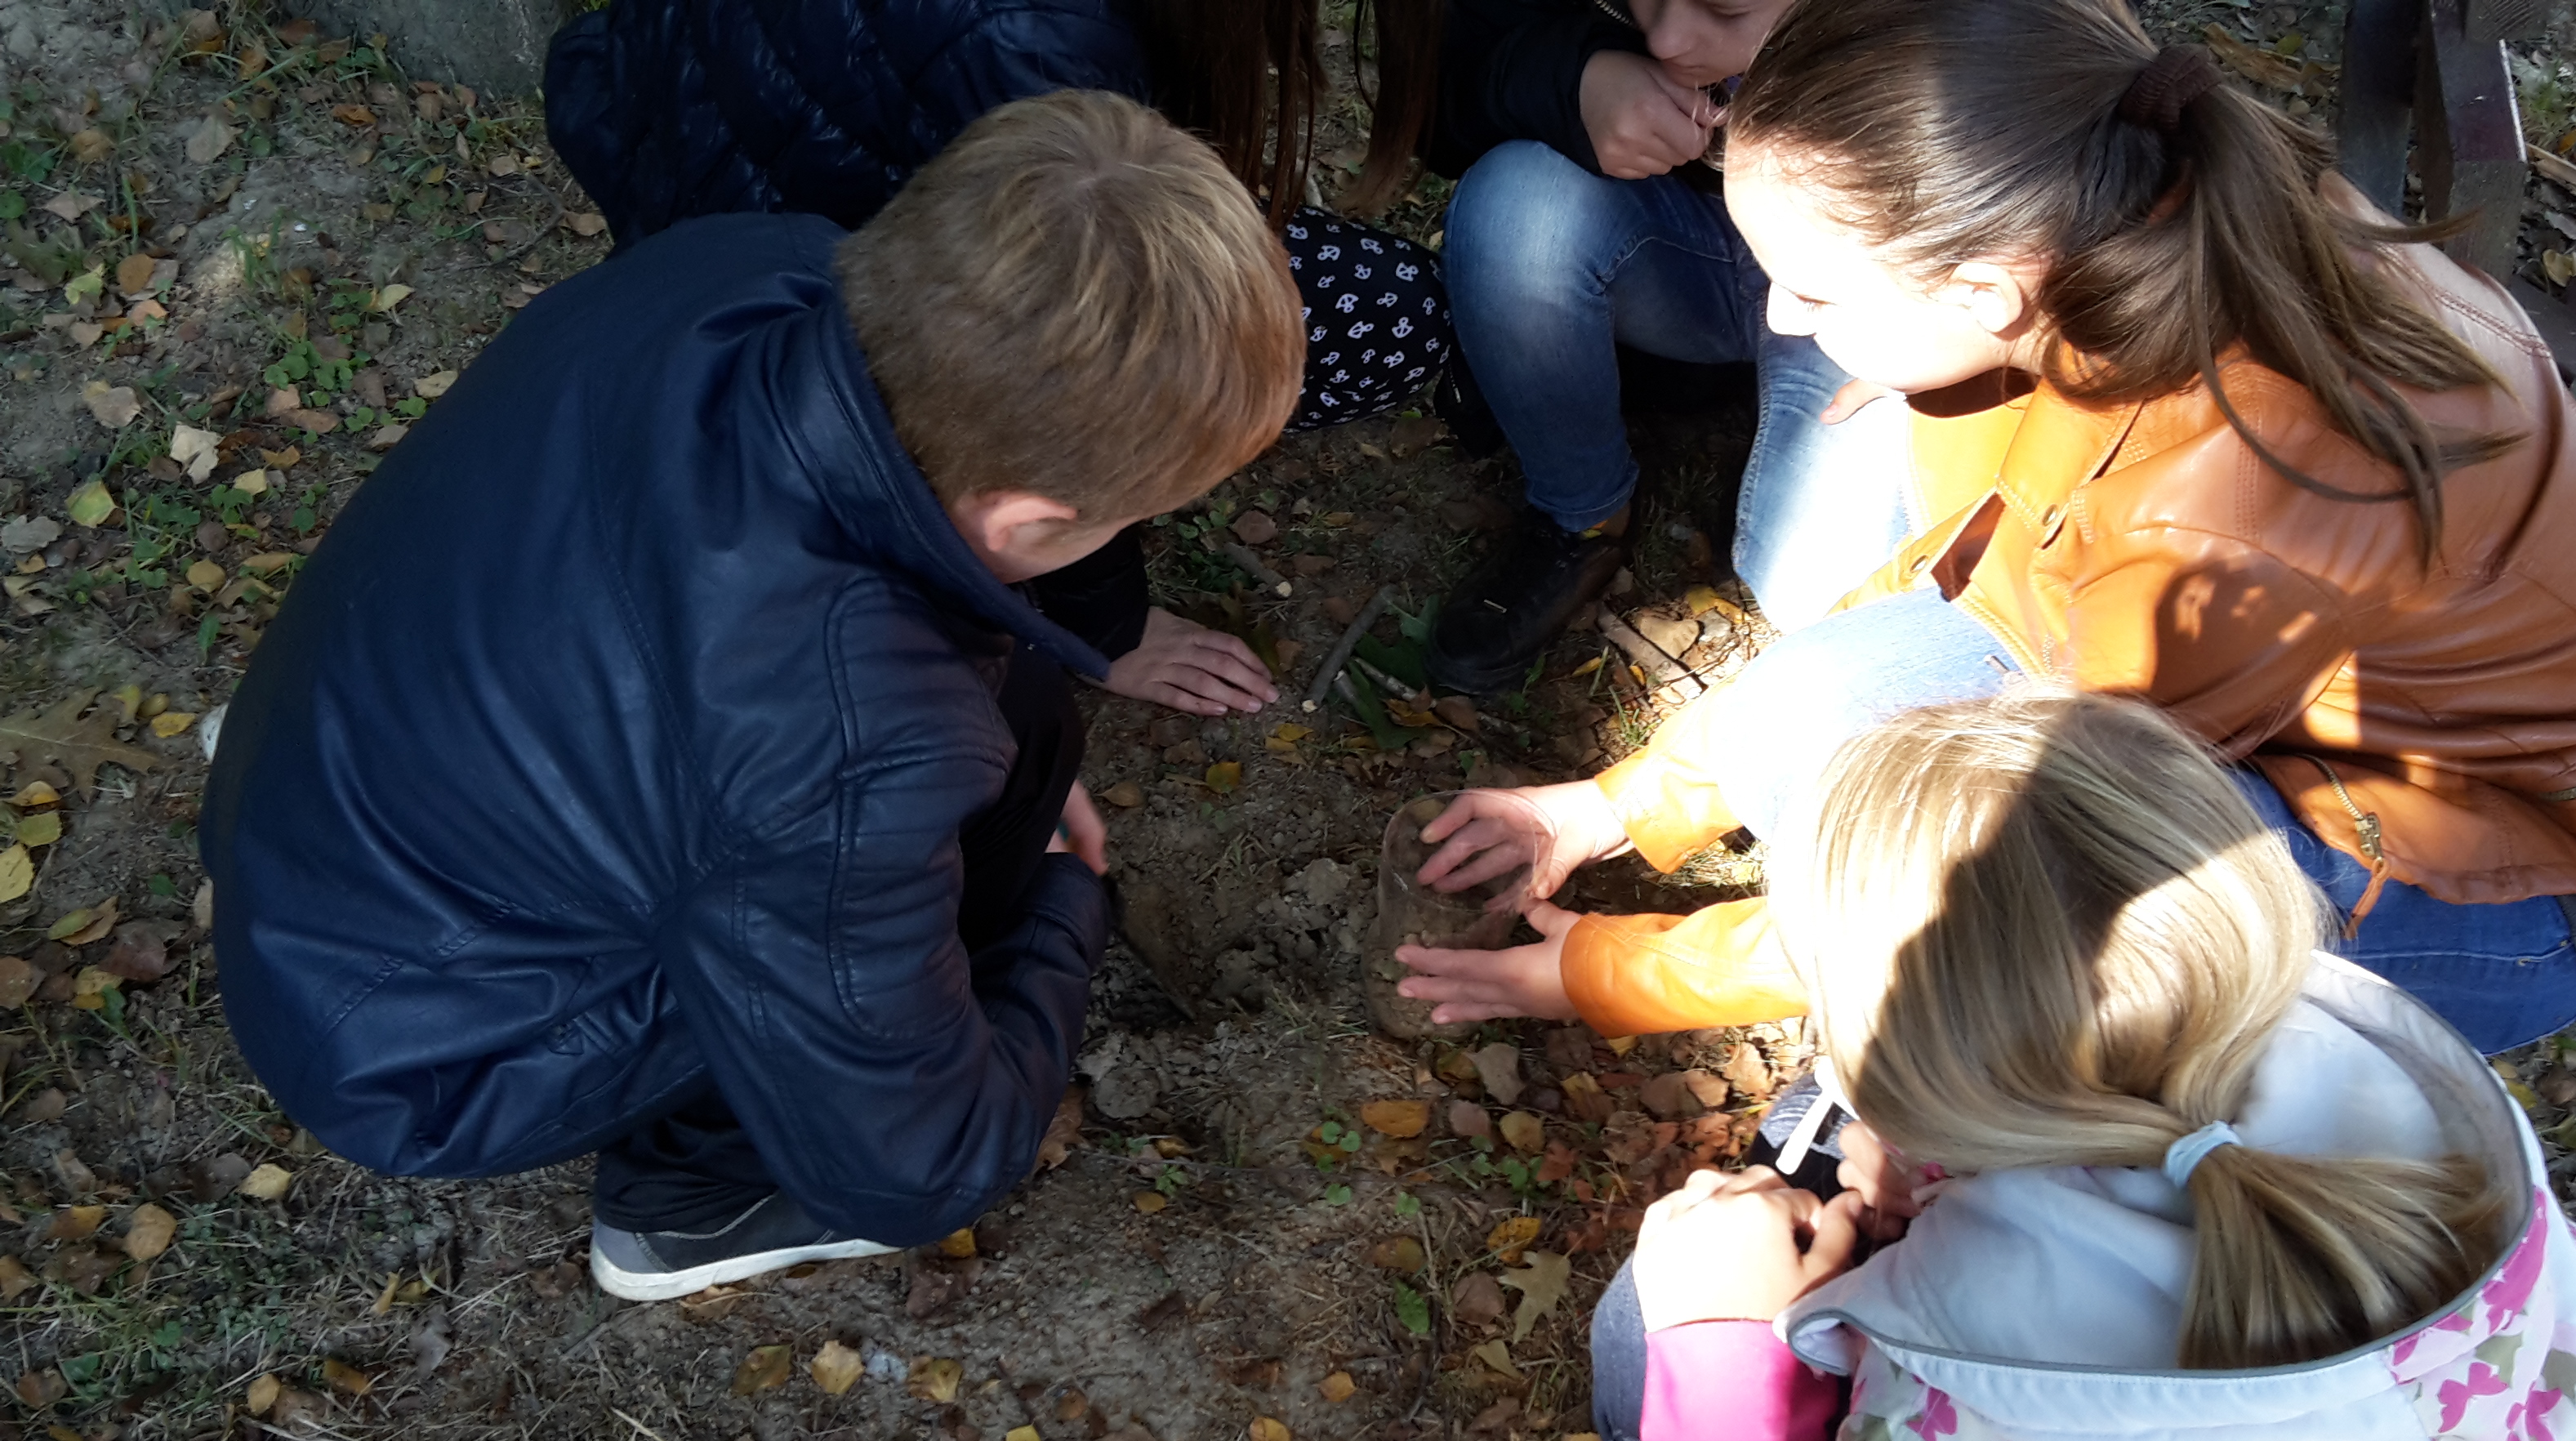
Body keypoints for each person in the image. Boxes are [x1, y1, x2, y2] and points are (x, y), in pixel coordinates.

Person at [1396, 0, 2576, 1055]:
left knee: (2027, 977)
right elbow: (1965, 574)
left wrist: (1616, 974)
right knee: (1819, 714)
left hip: (2495, 878)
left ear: (1982, 289)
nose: (1777, 320)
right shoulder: (2114, 236)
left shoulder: (2227, 499)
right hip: (2275, 723)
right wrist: (1611, 808)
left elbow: (2022, 872)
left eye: (1815, 290)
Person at [199, 92, 1302, 1301]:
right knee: (876, 952)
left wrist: (1008, 745)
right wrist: (1057, 904)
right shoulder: (842, 746)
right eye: (1129, 520)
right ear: (1030, 518)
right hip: (410, 1038)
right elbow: (928, 1163)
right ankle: (694, 1200)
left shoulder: (751, 267)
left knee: (1008, 721)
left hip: (336, 770)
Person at [1589, 689, 2576, 1441]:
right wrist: (1944, 1166)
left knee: (1652, 1312)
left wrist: (1722, 1372)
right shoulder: (2428, 1105)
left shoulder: (1948, 1423)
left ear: (1915, 1082)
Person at [541, 0, 1454, 719]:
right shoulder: (1030, 43)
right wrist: (1106, 626)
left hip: (703, 205)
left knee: (1395, 305)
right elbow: (1062, 397)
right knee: (1386, 313)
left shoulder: (595, 355)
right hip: (810, 236)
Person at [1420, 0, 1901, 694]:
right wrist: (1570, 78)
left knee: (1819, 590)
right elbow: (1436, 101)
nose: (1670, 39)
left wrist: (1941, 329)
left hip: (1885, 286)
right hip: (1690, 242)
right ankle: (1585, 515)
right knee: (1515, 213)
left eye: (1726, 7)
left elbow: (2054, 166)